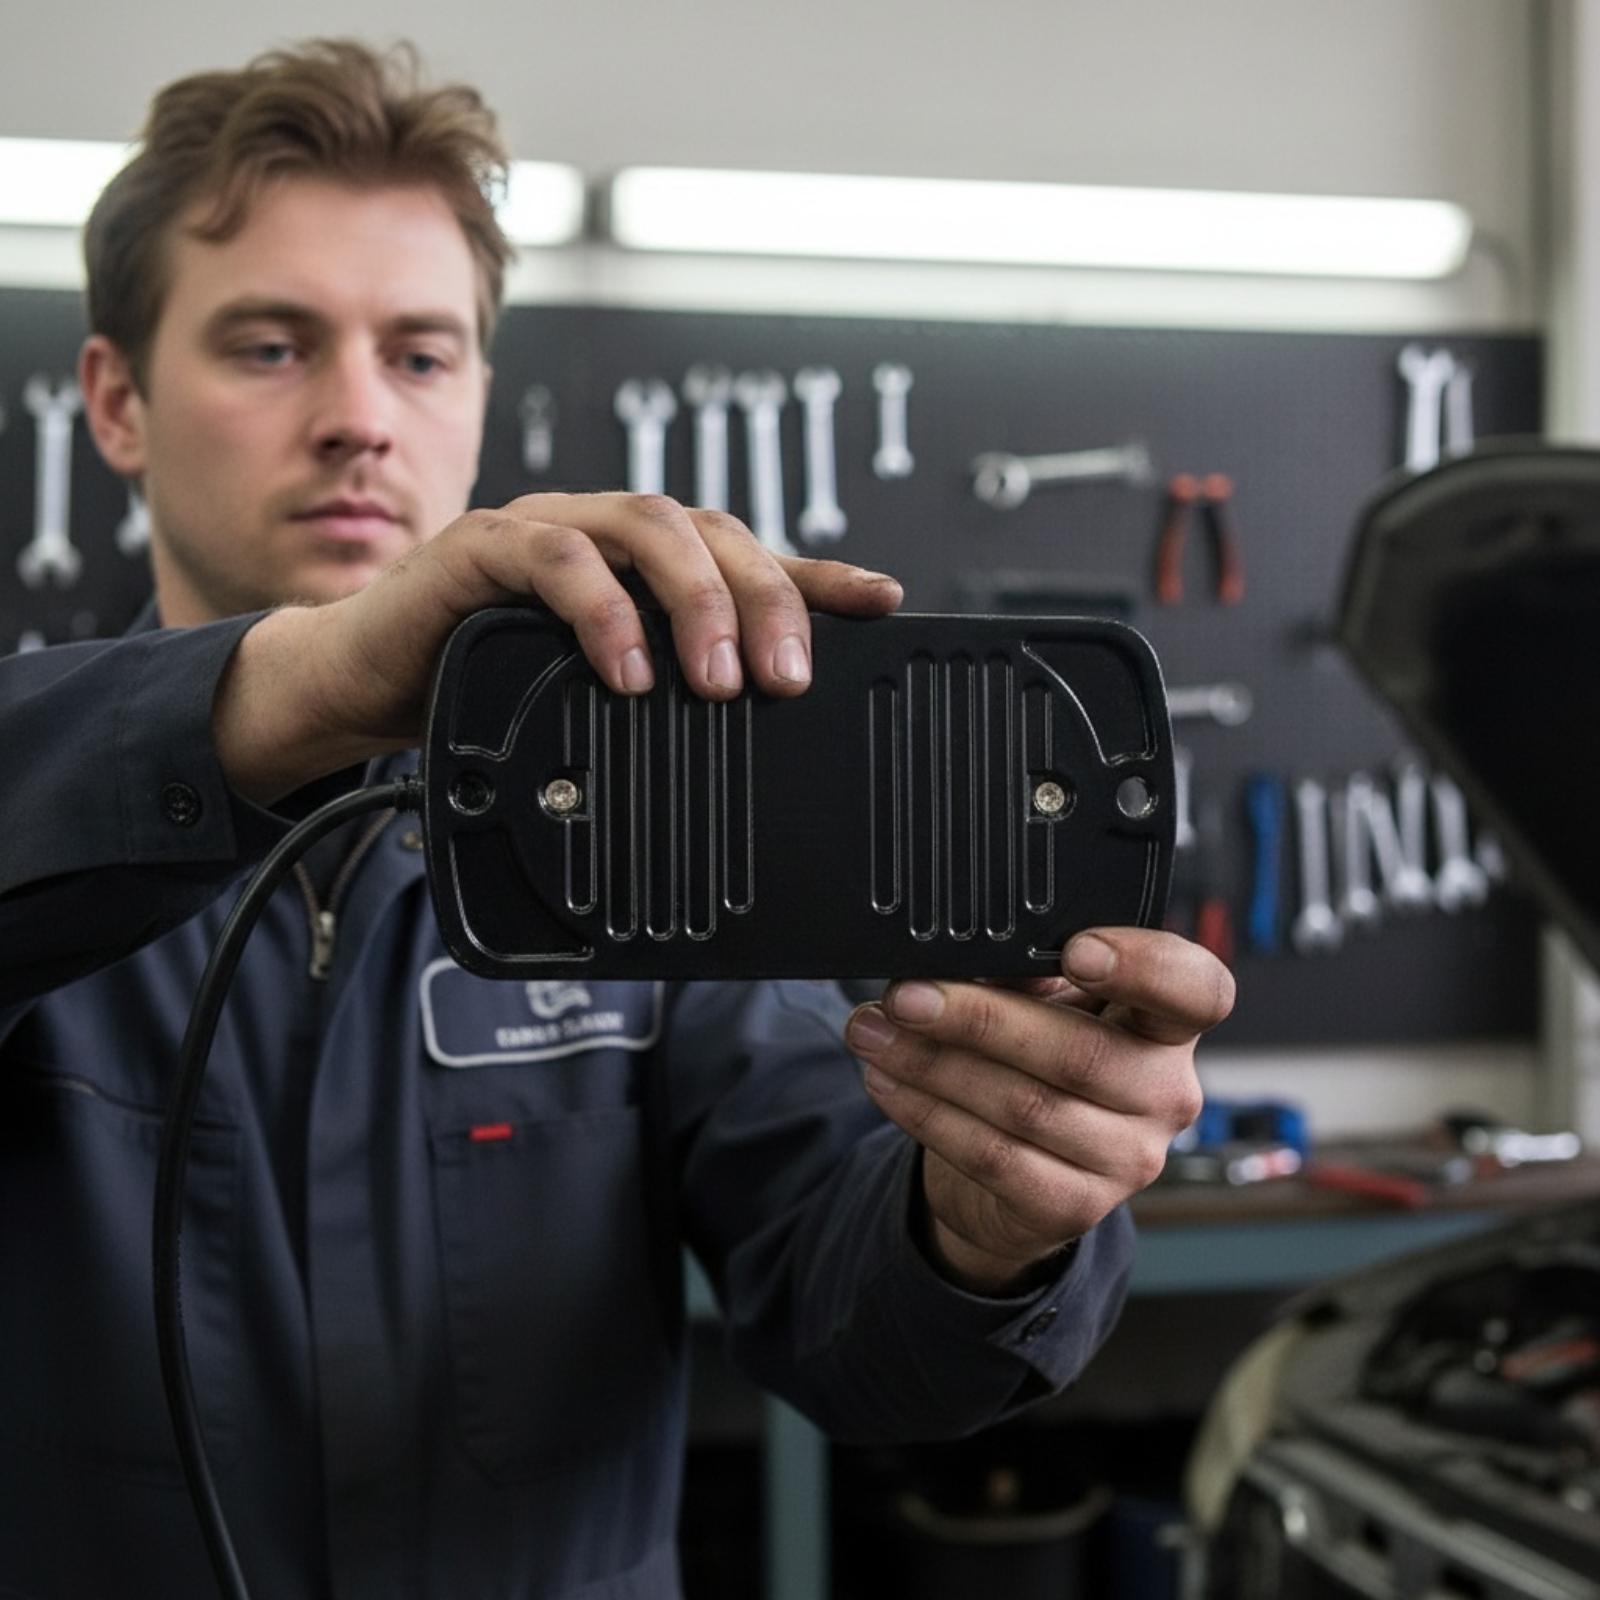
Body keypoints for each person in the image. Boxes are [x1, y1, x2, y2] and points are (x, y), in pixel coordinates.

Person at [0, 38, 1233, 1599]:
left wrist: (983, 1229)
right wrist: (286, 693)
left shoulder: (647, 830)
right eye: (269, 345)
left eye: (421, 355)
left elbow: (860, 1327)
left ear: (478, 395)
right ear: (116, 402)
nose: (359, 418)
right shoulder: (36, 814)